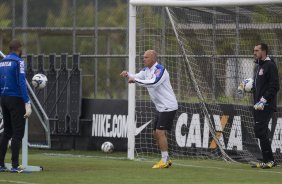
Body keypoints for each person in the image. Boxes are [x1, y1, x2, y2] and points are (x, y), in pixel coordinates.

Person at [120, 50, 178, 169]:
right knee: (155, 133)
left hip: (169, 106)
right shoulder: (146, 70)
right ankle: (166, 157)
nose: (144, 59)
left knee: (159, 132)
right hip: (161, 108)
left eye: (146, 57)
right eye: (143, 57)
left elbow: (153, 82)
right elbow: (136, 76)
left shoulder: (160, 70)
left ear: (153, 58)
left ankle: (164, 160)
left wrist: (135, 81)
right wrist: (128, 74)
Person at [242, 43, 279, 169]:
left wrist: (264, 99)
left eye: (256, 50)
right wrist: (247, 88)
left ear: (263, 52)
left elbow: (275, 86)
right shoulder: (258, 67)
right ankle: (266, 160)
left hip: (266, 105)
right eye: (254, 50)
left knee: (261, 130)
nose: (254, 52)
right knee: (259, 131)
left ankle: (271, 160)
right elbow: (259, 87)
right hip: (258, 105)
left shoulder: (270, 65)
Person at [0, 39, 32, 173]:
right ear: (19, 49)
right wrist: (27, 102)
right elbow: (22, 83)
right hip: (16, 99)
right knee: (18, 133)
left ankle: (1, 165)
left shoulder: (2, 62)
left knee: (6, 131)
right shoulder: (18, 62)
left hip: (3, 98)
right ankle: (15, 165)